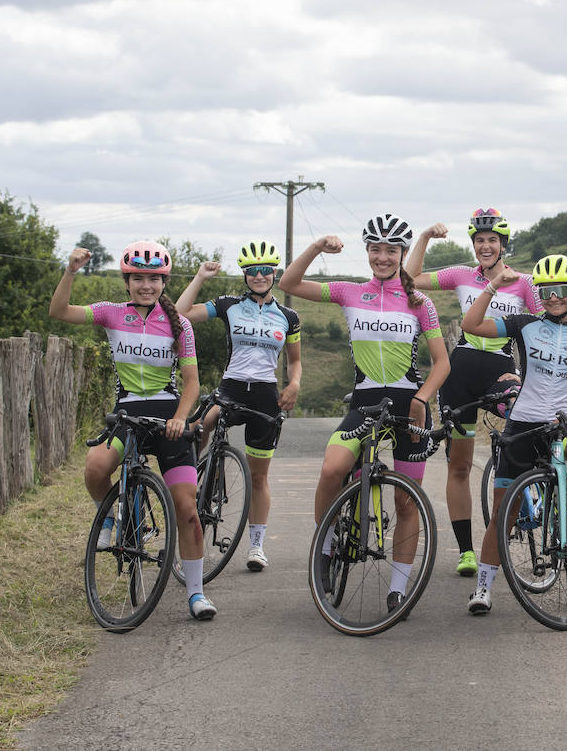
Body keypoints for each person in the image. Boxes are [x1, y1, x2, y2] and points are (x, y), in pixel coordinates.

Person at [276, 214, 450, 614]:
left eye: (391, 250)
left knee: (408, 502)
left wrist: (422, 400)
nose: (383, 257)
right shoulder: (350, 292)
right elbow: (288, 283)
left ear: (403, 254)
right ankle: (325, 543)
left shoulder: (420, 303)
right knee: (332, 468)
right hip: (365, 401)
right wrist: (318, 247)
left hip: (409, 405)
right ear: (367, 252)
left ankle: (398, 589)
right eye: (376, 249)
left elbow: (442, 364)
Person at [50, 240, 217, 621]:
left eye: (154, 279)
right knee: (95, 466)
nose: (146, 285)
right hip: (127, 414)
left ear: (164, 282)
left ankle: (196, 593)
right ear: (127, 281)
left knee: (187, 510)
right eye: (138, 278)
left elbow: (191, 382)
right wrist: (71, 271)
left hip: (168, 418)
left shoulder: (180, 324)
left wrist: (180, 416)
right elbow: (58, 311)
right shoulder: (112, 314)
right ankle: (111, 516)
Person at [460, 255, 567, 615]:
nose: (552, 298)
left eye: (560, 291)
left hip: (562, 423)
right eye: (545, 292)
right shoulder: (524, 324)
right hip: (523, 425)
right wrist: (495, 285)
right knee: (502, 515)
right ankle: (483, 587)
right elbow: (471, 324)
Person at [405, 208, 541, 577]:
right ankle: (466, 551)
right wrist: (424, 238)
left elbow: (545, 327)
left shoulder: (524, 282)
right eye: (479, 240)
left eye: (491, 240)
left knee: (526, 425)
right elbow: (411, 278)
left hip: (501, 370)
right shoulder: (463, 275)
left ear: (503, 244)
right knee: (460, 464)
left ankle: (531, 485)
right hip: (461, 371)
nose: (484, 246)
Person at [175, 240, 301, 573]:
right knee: (197, 427)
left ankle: (257, 546)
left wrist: (295, 383)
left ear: (274, 273)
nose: (259, 276)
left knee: (258, 479)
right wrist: (201, 276)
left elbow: (295, 361)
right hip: (231, 389)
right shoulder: (229, 304)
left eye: (265, 271)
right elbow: (181, 314)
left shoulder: (288, 316)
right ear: (245, 276)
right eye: (252, 272)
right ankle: (196, 479)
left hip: (264, 395)